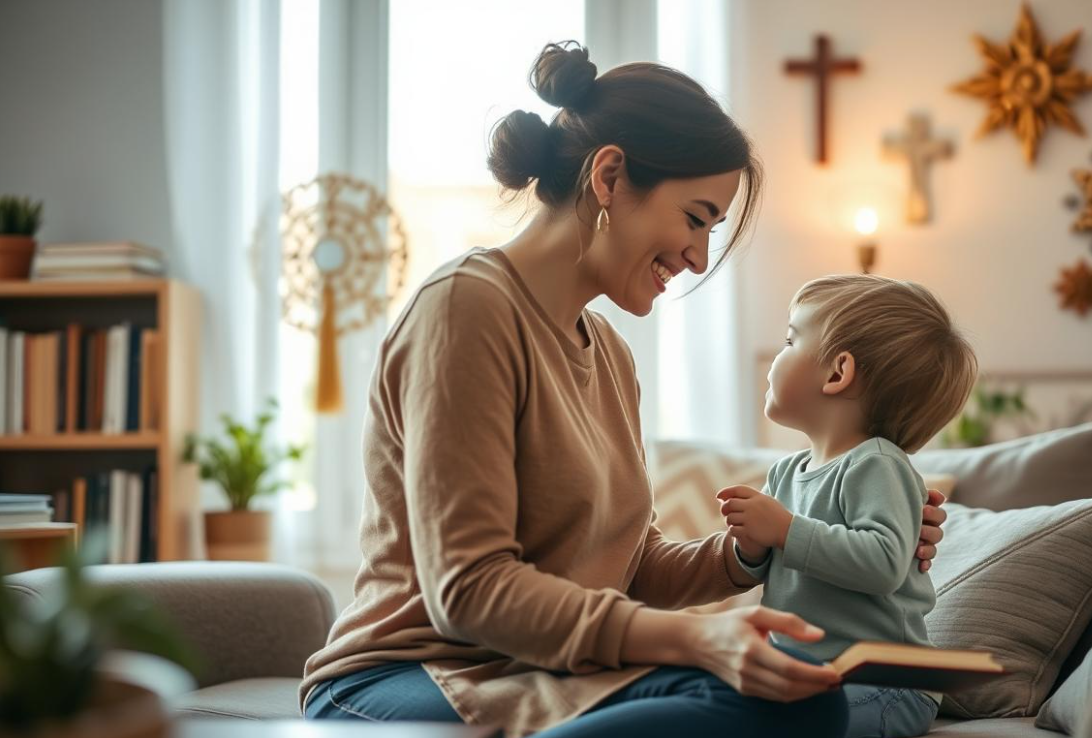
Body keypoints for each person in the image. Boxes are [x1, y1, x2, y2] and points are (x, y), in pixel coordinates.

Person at [300, 42, 949, 738]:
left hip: (541, 669)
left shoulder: (608, 353)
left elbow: (631, 565)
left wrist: (754, 553)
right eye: (696, 218)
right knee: (783, 697)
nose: (700, 256)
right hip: (409, 675)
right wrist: (697, 641)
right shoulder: (467, 307)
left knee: (801, 691)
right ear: (609, 176)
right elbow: (470, 590)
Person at [719, 274, 978, 738]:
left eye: (789, 340)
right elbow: (775, 566)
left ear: (838, 373)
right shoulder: (785, 473)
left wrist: (782, 530)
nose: (776, 356)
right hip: (809, 673)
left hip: (886, 680)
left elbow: (882, 564)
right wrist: (752, 547)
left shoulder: (878, 465)